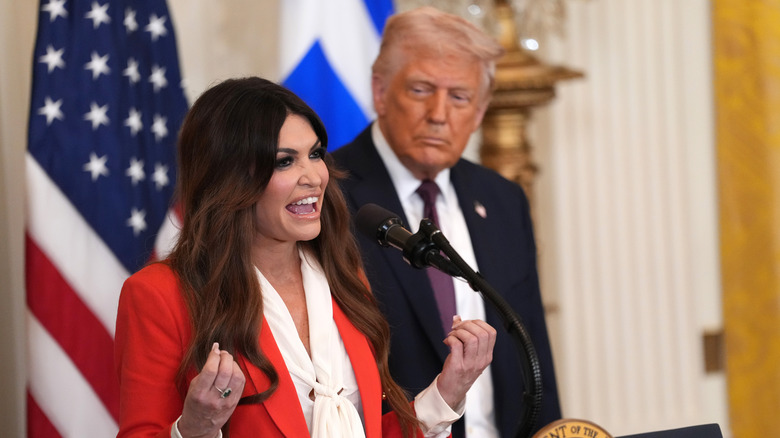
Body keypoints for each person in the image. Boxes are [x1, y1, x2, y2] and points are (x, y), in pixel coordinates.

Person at [114, 77, 498, 438]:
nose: (314, 176)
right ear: (228, 177)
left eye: (315, 154)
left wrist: (448, 392)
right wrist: (194, 428)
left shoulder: (343, 276)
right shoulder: (159, 295)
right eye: (285, 161)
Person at [332, 7, 562, 438]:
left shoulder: (503, 199)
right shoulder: (328, 196)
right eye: (421, 90)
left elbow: (532, 350)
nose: (439, 114)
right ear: (380, 91)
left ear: (479, 112)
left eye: (459, 97)